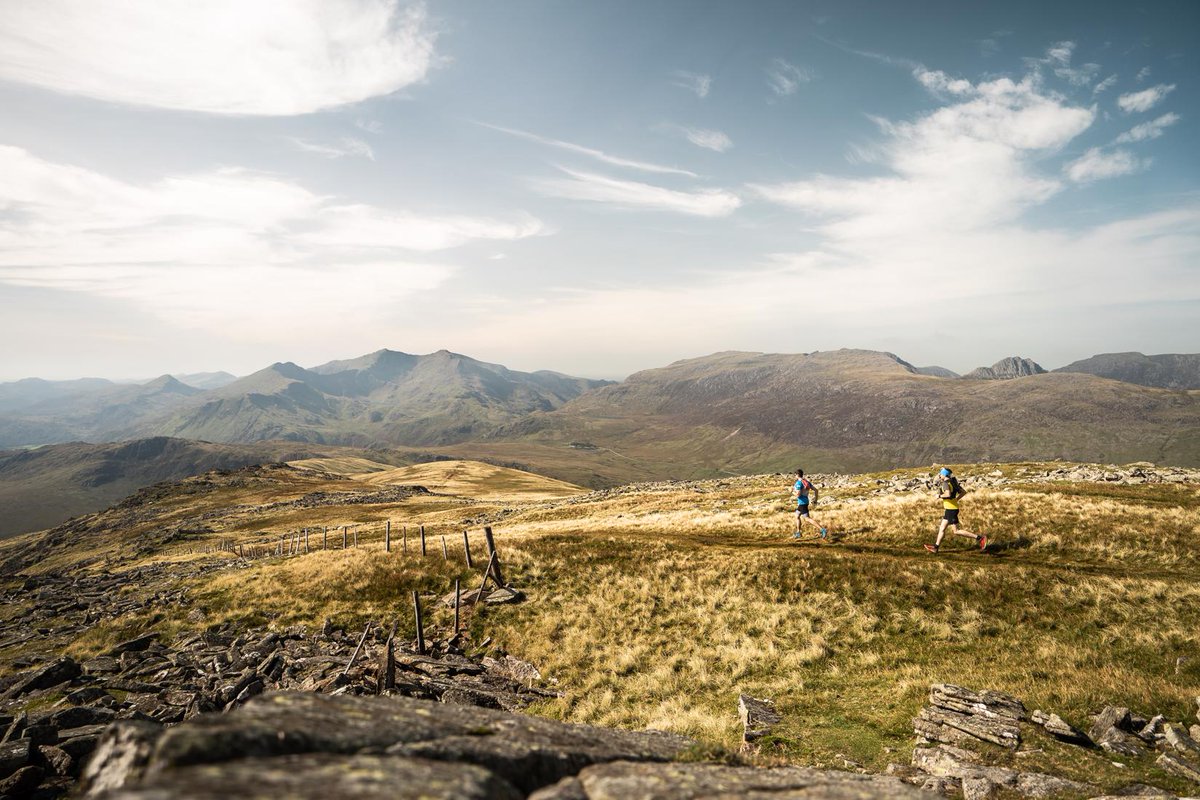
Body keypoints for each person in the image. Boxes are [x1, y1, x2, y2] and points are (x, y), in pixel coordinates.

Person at [924, 467, 987, 553]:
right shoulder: (953, 482)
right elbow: (963, 492)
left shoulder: (946, 483)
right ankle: (936, 547)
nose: (939, 475)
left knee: (956, 531)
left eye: (941, 474)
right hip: (950, 508)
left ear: (944, 474)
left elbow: (948, 494)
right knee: (942, 528)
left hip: (951, 509)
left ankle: (980, 538)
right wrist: (956, 499)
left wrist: (939, 496)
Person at [790, 468, 828, 540]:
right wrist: (815, 500)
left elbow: (798, 495)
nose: (794, 476)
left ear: (797, 475)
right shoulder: (806, 482)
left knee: (807, 518)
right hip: (804, 502)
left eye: (795, 475)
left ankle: (822, 529)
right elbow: (816, 490)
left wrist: (791, 491)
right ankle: (798, 533)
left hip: (802, 503)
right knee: (797, 515)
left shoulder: (798, 483)